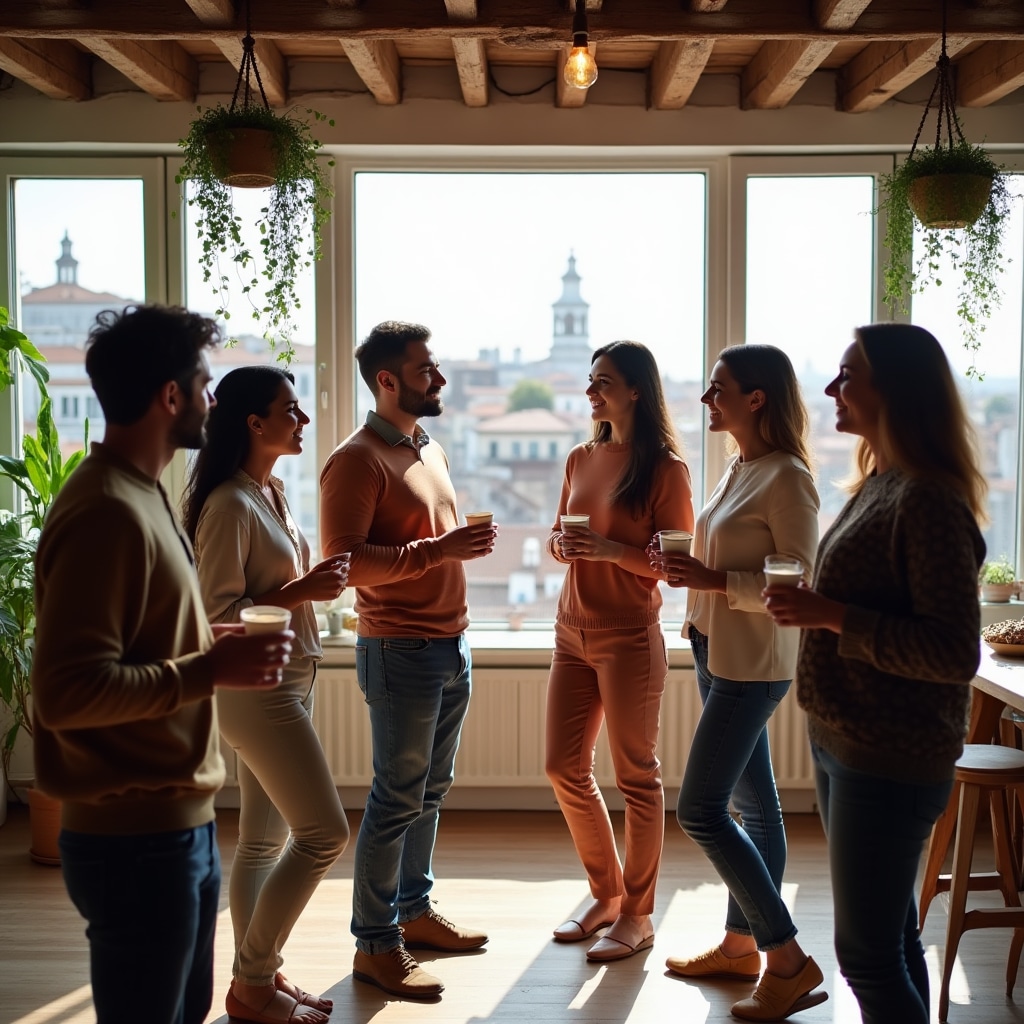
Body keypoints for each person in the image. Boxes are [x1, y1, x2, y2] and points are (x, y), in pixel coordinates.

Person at [30, 305, 294, 1024]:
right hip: (132, 842)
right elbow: (65, 693)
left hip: (177, 826)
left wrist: (207, 641)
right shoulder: (105, 511)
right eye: (205, 385)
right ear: (170, 397)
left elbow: (139, 634)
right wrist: (210, 673)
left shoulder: (145, 494)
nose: (214, 401)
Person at [764, 324, 987, 1024]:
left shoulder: (927, 500)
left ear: (894, 388)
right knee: (890, 938)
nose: (831, 389)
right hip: (846, 740)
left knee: (863, 955)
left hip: (889, 755)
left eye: (846, 374)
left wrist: (829, 615)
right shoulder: (882, 481)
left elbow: (954, 651)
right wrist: (824, 613)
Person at [319, 320, 495, 1000]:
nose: (439, 378)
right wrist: (440, 553)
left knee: (429, 792)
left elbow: (424, 543)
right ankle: (376, 944)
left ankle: (414, 912)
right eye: (426, 370)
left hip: (450, 644)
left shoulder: (428, 446)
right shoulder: (356, 460)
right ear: (387, 381)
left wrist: (448, 549)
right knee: (396, 800)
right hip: (400, 650)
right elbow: (344, 563)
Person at [660, 344, 825, 1022]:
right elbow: (724, 557)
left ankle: (785, 957)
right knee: (756, 810)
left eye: (718, 388)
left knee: (700, 810)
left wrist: (711, 581)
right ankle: (738, 946)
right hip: (715, 650)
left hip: (753, 667)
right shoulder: (740, 467)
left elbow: (800, 578)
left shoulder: (786, 476)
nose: (706, 400)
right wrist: (693, 581)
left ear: (757, 398)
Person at [181, 366, 351, 1024]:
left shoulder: (270, 491)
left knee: (260, 842)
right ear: (255, 423)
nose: (303, 419)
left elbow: (269, 592)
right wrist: (303, 591)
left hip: (290, 676)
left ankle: (262, 979)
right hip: (259, 688)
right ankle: (252, 984)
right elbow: (217, 612)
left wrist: (308, 585)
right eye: (292, 409)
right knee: (323, 833)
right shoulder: (227, 503)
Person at [545, 340, 694, 962]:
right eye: (590, 380)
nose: (591, 391)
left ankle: (638, 912)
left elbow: (677, 564)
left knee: (636, 776)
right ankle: (605, 894)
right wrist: (564, 548)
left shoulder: (665, 470)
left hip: (631, 635)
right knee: (562, 767)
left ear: (636, 390)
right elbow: (558, 536)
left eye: (603, 381)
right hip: (571, 631)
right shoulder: (580, 457)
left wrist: (611, 553)